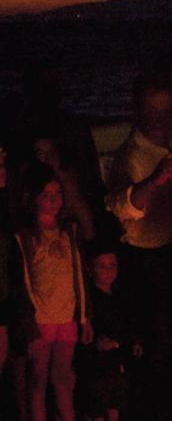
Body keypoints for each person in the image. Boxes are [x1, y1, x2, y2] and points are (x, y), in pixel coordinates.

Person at [105, 73, 172, 419]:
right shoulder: (129, 156)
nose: (159, 117)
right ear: (139, 111)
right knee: (154, 341)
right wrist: (157, 179)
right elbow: (120, 208)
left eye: (165, 109)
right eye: (152, 109)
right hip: (145, 256)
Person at [14, 164, 92, 421]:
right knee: (38, 379)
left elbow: (78, 276)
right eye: (46, 195)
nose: (54, 200)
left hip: (66, 317)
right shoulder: (25, 238)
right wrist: (29, 327)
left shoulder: (69, 232)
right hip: (41, 319)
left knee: (63, 378)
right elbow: (23, 284)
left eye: (57, 194)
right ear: (33, 198)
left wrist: (84, 317)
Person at [80, 245, 142, 421]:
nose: (108, 271)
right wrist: (96, 343)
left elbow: (129, 322)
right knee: (98, 400)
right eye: (102, 266)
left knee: (116, 399)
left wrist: (135, 341)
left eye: (112, 265)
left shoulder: (121, 295)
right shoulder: (88, 299)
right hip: (97, 362)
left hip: (118, 358)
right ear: (91, 269)